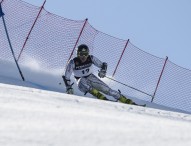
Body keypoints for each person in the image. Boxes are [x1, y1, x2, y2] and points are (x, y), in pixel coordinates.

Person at [62, 44, 138, 105]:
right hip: (81, 83)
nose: (83, 57)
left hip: (91, 77)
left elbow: (103, 65)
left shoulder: (91, 58)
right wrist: (69, 87)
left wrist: (103, 71)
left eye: (85, 54)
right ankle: (100, 96)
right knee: (82, 80)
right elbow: (66, 76)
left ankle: (125, 100)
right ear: (78, 54)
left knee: (108, 90)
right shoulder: (73, 62)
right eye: (81, 54)